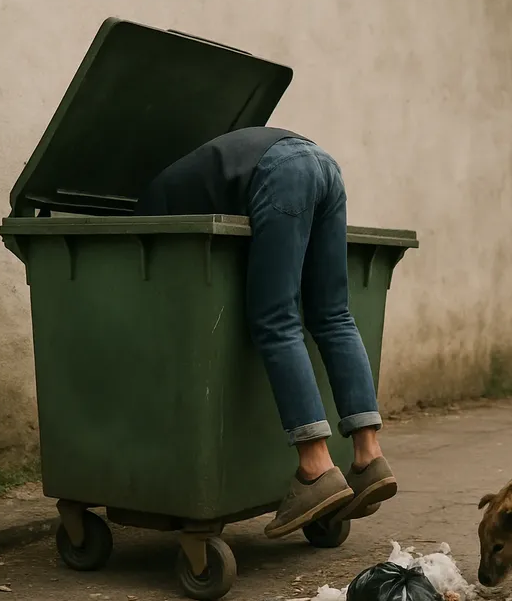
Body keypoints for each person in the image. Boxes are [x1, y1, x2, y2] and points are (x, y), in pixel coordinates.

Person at [135, 127, 396, 539]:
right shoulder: (210, 160)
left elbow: (162, 254)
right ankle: (368, 456)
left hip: (283, 174)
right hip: (323, 165)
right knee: (333, 315)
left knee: (275, 318)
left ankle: (315, 467)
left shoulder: (152, 199)